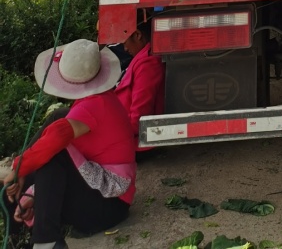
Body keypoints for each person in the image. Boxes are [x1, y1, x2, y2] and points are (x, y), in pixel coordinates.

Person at [2, 38, 136, 249]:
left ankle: (46, 241)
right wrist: (30, 190)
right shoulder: (97, 99)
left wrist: (20, 168)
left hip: (109, 206)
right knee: (57, 118)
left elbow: (56, 139)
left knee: (53, 153)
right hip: (105, 197)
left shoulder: (92, 107)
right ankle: (17, 228)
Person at [115, 18, 165, 158]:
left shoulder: (148, 64)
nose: (125, 49)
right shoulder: (142, 59)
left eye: (125, 43)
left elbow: (140, 117)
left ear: (137, 35)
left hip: (134, 142)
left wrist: (111, 134)